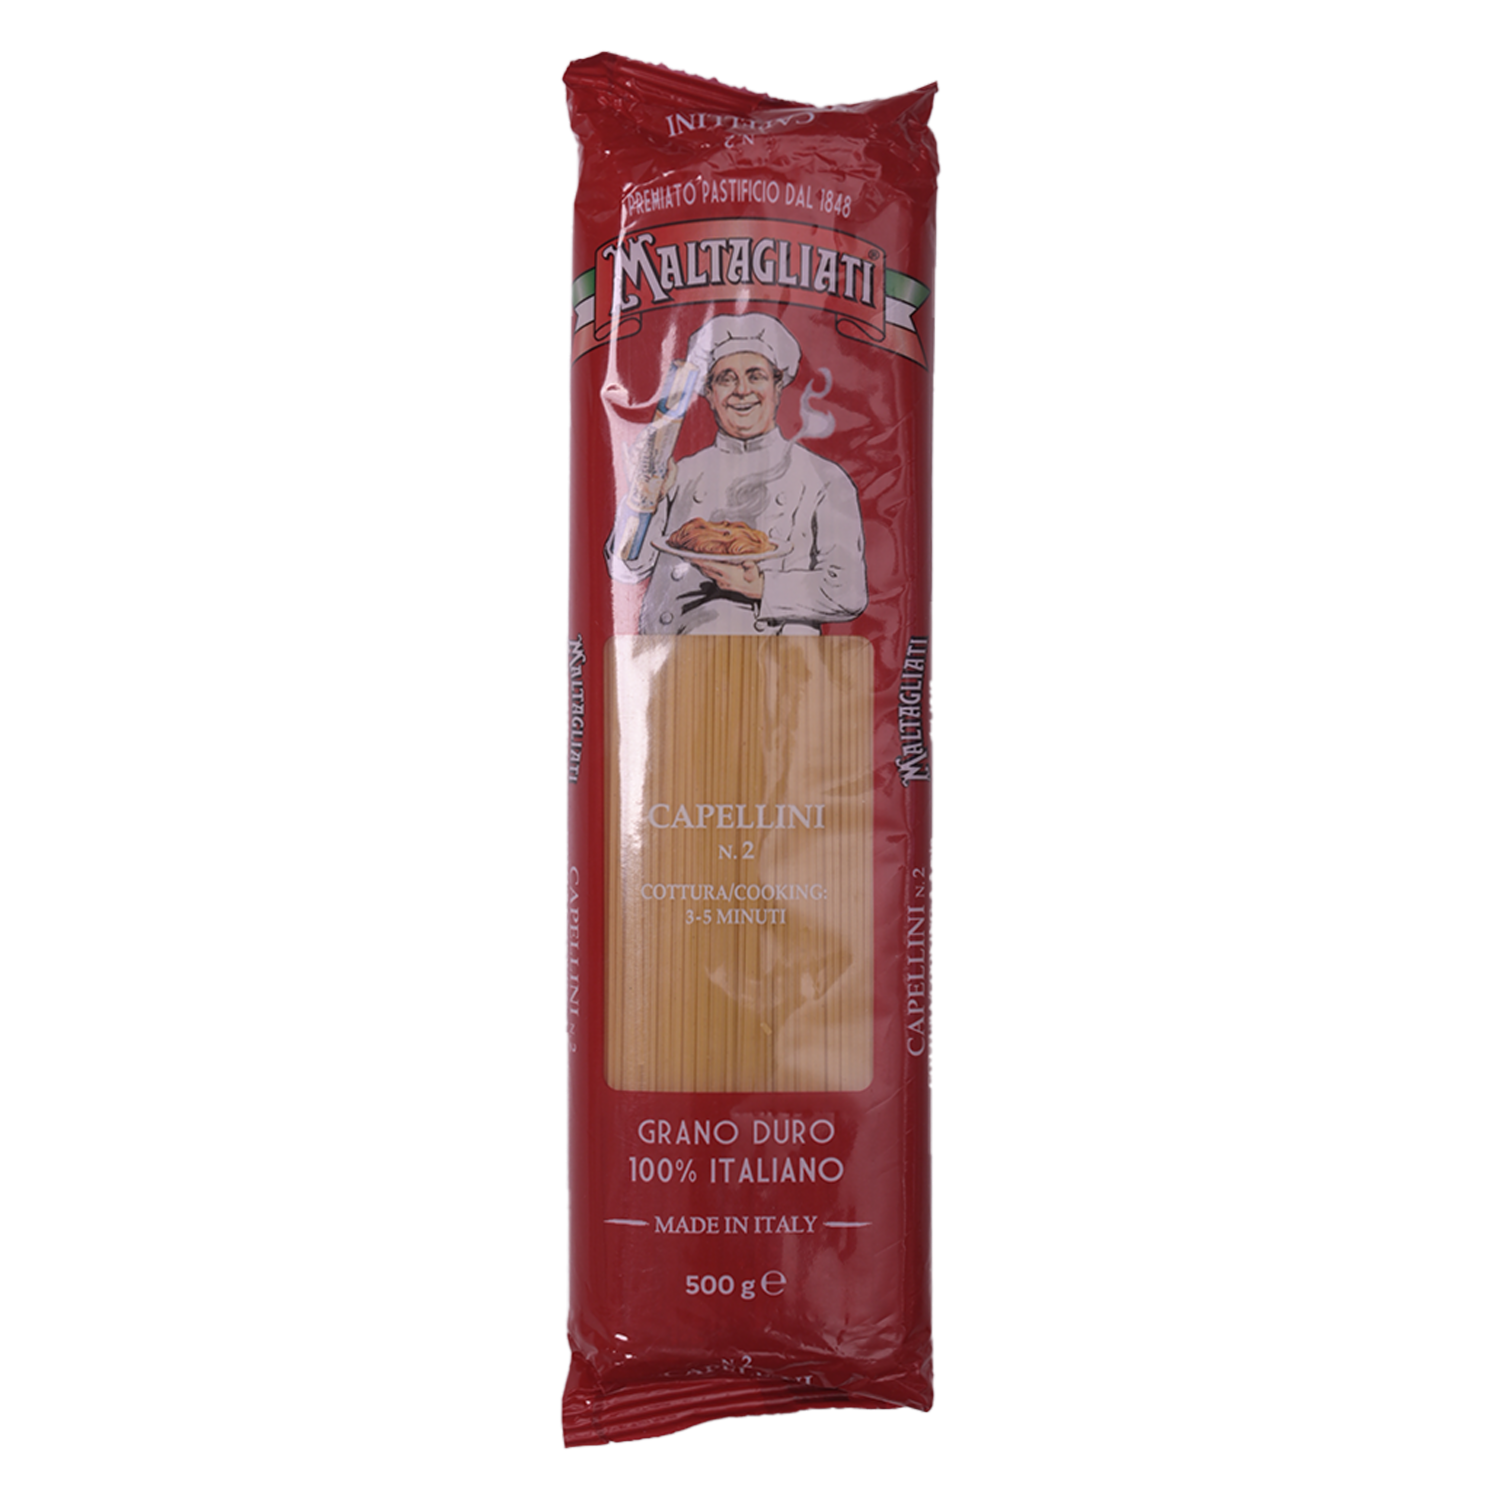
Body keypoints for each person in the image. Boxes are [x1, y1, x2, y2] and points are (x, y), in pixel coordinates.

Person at [605, 314, 867, 635]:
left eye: (756, 376)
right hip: (672, 658)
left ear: (777, 386)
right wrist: (644, 498)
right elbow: (626, 569)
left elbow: (848, 592)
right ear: (710, 394)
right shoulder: (678, 475)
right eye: (726, 379)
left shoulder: (825, 478)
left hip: (778, 662)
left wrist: (761, 586)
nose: (742, 390)